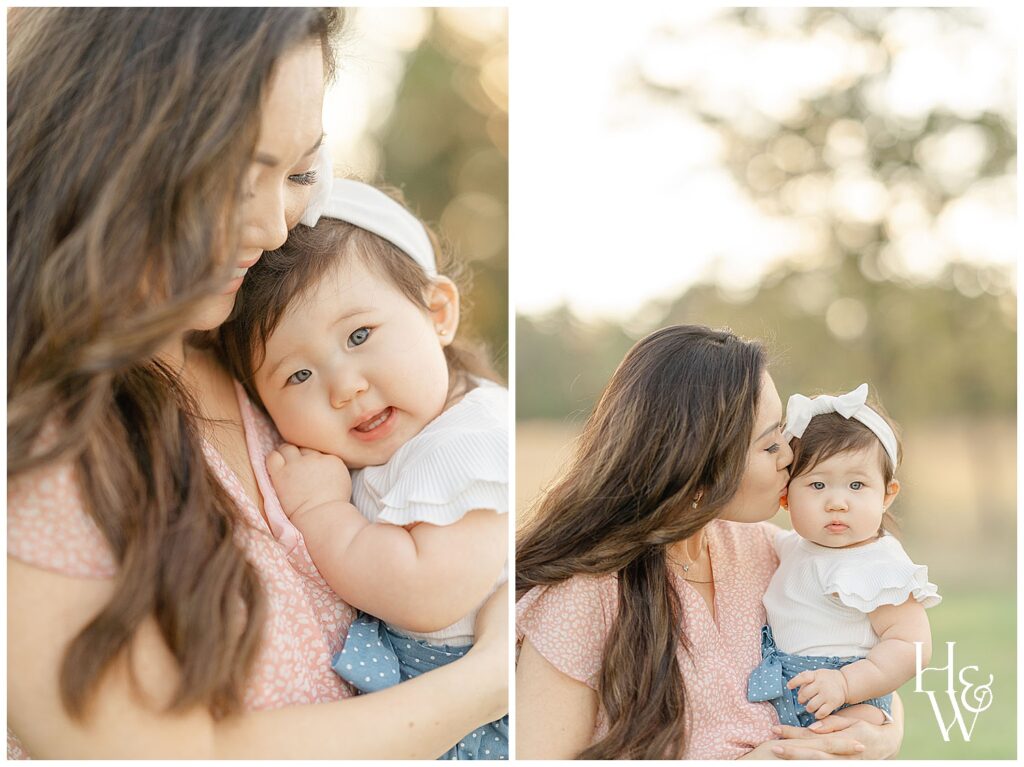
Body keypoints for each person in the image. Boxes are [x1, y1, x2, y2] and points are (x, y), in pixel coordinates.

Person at [8, 8, 506, 759]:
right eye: (235, 181)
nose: (276, 226)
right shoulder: (42, 446)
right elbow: (155, 753)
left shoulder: (260, 345)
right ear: (106, 157)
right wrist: (483, 683)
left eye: (303, 172)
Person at [217, 177, 509, 760]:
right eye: (298, 376)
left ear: (438, 313)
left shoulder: (469, 440)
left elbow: (425, 593)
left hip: (477, 728)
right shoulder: (400, 438)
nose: (345, 387)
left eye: (359, 335)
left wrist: (323, 512)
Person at [515, 325, 904, 759]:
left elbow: (859, 659)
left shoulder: (769, 551)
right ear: (699, 466)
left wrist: (886, 734)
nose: (790, 456)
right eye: (769, 445)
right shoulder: (583, 596)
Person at [748, 384, 939, 728]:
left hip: (851, 697)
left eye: (856, 486)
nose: (837, 502)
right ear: (786, 496)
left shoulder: (878, 566)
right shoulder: (791, 546)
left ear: (887, 494)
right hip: (790, 692)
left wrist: (847, 684)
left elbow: (912, 646)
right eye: (818, 485)